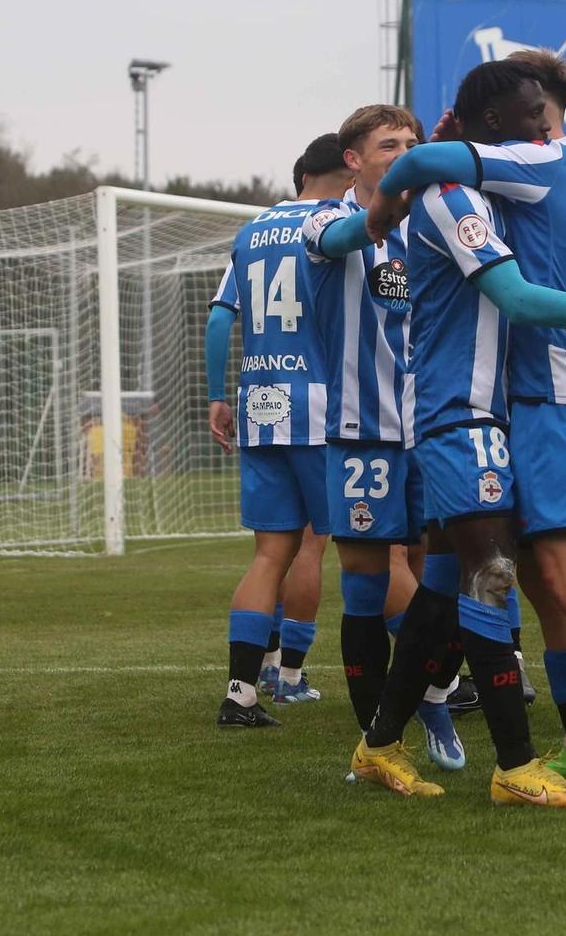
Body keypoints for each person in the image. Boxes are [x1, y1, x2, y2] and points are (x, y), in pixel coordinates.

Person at [367, 59, 566, 804]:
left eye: (546, 113)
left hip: (546, 403)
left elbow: (516, 291)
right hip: (522, 405)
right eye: (534, 114)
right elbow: (525, 278)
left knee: (546, 576)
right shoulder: (526, 179)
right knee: (510, 581)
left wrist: (380, 210)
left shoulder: (534, 167)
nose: (544, 126)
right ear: (498, 124)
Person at [300, 103, 466, 773]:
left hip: (432, 427)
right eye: (388, 144)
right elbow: (350, 236)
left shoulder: (431, 225)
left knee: (442, 579)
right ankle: (383, 738)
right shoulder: (323, 220)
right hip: (360, 430)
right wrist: (385, 212)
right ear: (353, 159)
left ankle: (426, 693)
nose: (402, 151)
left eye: (412, 143)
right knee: (370, 586)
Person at [202, 135, 345, 728]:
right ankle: (290, 676)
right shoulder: (342, 224)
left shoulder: (250, 231)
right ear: (350, 166)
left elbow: (218, 320)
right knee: (339, 547)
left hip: (259, 396)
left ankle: (241, 692)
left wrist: (216, 395)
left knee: (268, 555)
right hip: (324, 401)